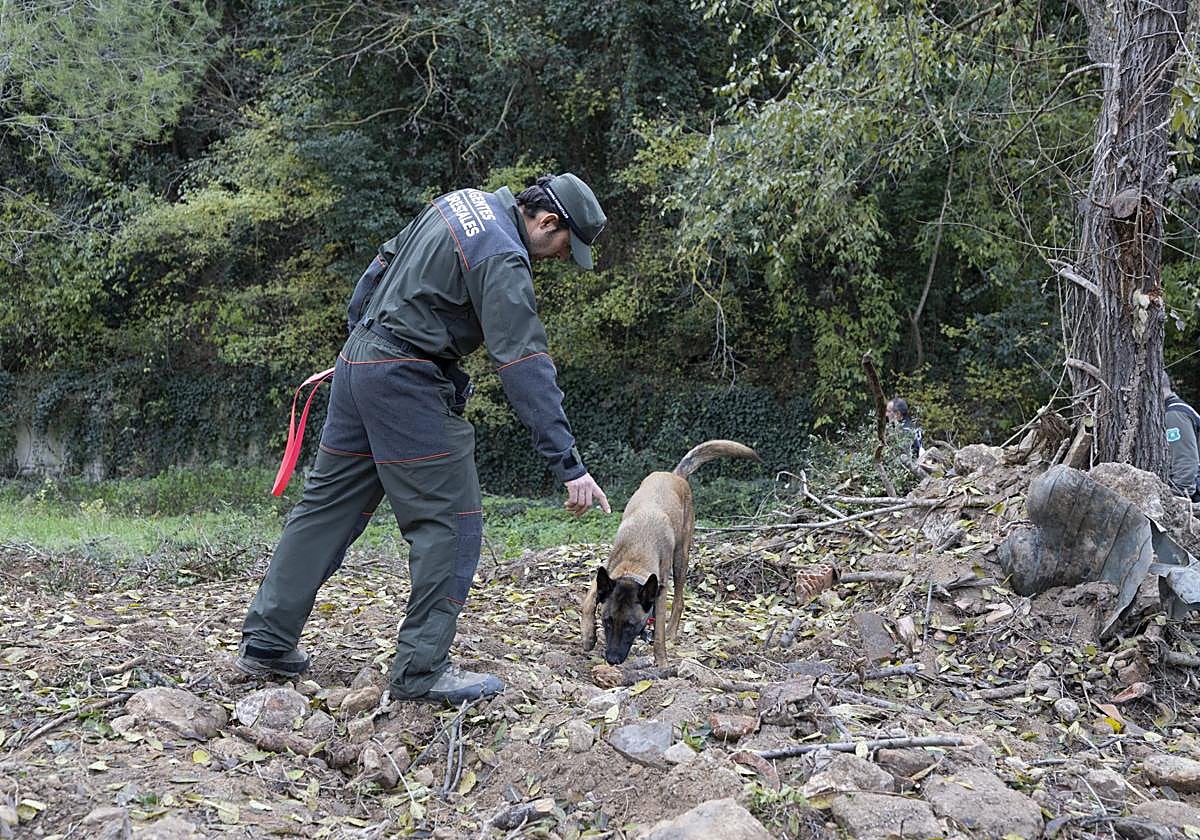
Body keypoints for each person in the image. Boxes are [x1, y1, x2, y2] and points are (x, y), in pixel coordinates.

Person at [237, 173, 612, 703]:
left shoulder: (460, 204)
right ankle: (420, 671)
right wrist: (568, 463)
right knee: (452, 525)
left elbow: (380, 265)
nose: (556, 258)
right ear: (547, 221)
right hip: (405, 380)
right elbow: (524, 362)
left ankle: (268, 641)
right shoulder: (504, 256)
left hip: (359, 360)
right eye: (561, 247)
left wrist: (363, 346)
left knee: (326, 508)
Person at [1163, 374, 1200, 501]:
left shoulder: (1174, 414)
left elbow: (1185, 461)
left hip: (1192, 496)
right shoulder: (1175, 409)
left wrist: (1177, 496)